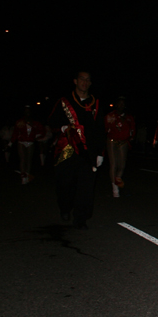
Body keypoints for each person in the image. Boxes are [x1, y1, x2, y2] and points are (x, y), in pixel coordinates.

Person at [48, 71, 105, 229]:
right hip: (67, 150)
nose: (84, 82)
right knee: (65, 184)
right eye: (81, 79)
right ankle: (65, 207)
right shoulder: (64, 102)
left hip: (89, 152)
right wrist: (62, 127)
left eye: (88, 80)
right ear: (75, 81)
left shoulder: (96, 103)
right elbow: (51, 122)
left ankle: (80, 219)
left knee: (86, 187)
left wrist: (100, 153)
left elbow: (100, 128)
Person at [104, 96, 136, 197]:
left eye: (123, 104)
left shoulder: (128, 117)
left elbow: (133, 129)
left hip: (123, 142)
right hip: (112, 141)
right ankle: (114, 187)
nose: (121, 106)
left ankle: (117, 178)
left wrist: (131, 136)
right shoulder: (110, 116)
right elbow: (105, 128)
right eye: (119, 103)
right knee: (113, 164)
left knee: (122, 164)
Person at [7, 105, 45, 184]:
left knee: (28, 159)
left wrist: (36, 136)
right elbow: (15, 133)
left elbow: (42, 131)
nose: (27, 113)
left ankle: (27, 175)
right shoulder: (20, 122)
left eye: (29, 111)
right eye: (26, 111)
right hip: (21, 142)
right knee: (23, 159)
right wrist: (10, 143)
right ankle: (23, 177)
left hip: (30, 142)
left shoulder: (35, 123)